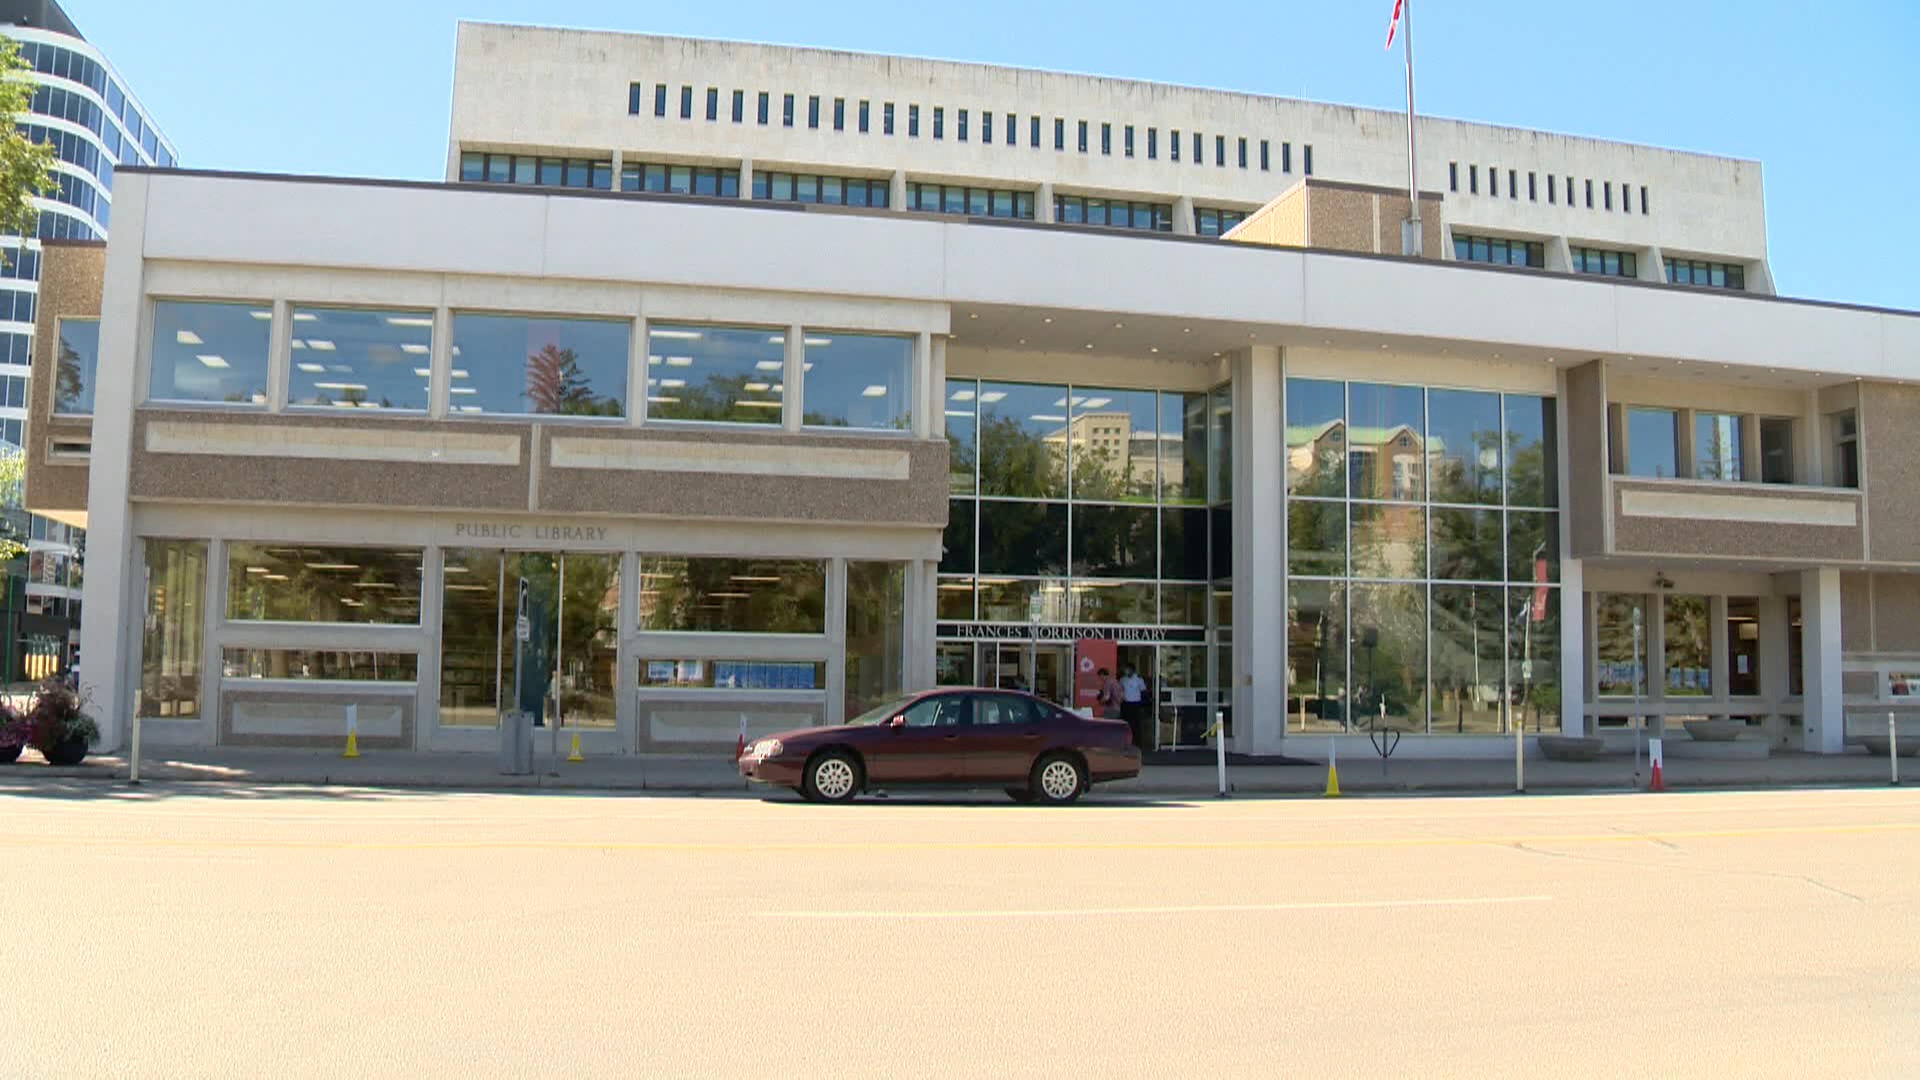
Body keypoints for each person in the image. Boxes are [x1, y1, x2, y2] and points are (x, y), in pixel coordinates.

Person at [1120, 666, 1149, 747]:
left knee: (1136, 724)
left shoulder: (1139, 679)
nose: (1126, 671)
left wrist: (1143, 704)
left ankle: (1137, 742)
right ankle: (1126, 741)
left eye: (1127, 670)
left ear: (1132, 670)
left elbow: (1143, 691)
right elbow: (1120, 690)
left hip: (1136, 704)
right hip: (1126, 704)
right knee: (1126, 723)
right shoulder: (1123, 679)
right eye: (1125, 670)